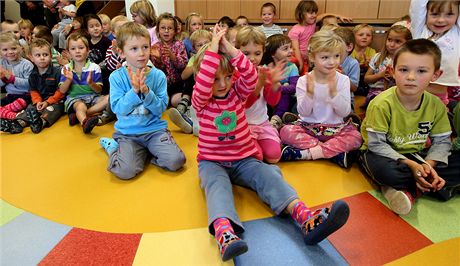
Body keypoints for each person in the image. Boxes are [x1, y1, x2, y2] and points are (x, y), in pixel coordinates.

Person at [192, 24, 350, 262]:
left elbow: (249, 74)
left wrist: (230, 49)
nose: (223, 84)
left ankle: (305, 217)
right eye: (215, 79)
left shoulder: (237, 92)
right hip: (212, 162)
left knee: (271, 176)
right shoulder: (201, 100)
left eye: (227, 77)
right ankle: (225, 233)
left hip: (244, 157)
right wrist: (213, 49)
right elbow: (205, 80)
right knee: (217, 190)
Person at [359, 39, 460, 215]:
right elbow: (376, 145)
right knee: (388, 172)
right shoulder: (381, 103)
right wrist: (413, 166)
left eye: (421, 71)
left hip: (418, 155)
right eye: (404, 70)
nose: (411, 77)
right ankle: (418, 186)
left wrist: (428, 165)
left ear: (435, 75)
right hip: (384, 155)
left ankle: (409, 188)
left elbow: (442, 142)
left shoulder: (436, 105)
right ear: (392, 71)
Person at [99, 22, 186, 179]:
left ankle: (145, 152)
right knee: (125, 172)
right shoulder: (116, 77)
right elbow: (118, 109)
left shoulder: (158, 76)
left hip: (154, 131)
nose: (141, 53)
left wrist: (146, 92)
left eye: (145, 47)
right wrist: (134, 91)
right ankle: (113, 149)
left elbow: (160, 109)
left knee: (176, 161)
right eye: (134, 49)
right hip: (128, 134)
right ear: (121, 52)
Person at [280, 30, 362, 168]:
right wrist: (310, 93)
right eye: (325, 57)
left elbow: (344, 112)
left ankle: (307, 154)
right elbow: (304, 112)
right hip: (309, 128)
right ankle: (334, 154)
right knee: (286, 132)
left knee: (356, 137)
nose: (332, 62)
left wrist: (334, 93)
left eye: (336, 56)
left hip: (336, 130)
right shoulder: (304, 80)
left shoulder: (343, 80)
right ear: (312, 57)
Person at [237, 27, 284, 163]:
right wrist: (259, 84)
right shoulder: (234, 74)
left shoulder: (264, 72)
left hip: (262, 124)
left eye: (257, 53)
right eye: (246, 53)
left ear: (263, 52)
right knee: (257, 156)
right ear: (237, 51)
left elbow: (272, 102)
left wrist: (274, 85)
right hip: (241, 127)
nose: (252, 58)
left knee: (274, 156)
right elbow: (245, 104)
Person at [410, 0, 459, 105]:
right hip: (415, 93)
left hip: (440, 96)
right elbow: (417, 6)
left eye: (449, 14)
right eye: (435, 14)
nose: (441, 20)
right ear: (426, 14)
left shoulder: (457, 33)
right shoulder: (420, 31)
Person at [11, 38, 65, 134]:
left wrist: (48, 102)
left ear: (51, 56)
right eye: (38, 55)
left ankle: (41, 122)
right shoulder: (32, 75)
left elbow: (60, 91)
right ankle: (20, 123)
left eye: (45, 55)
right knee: (30, 108)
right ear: (31, 58)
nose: (42, 58)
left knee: (53, 110)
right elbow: (33, 91)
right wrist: (38, 102)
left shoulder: (57, 72)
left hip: (56, 101)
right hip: (40, 100)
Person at [59, 32, 108, 134]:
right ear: (68, 52)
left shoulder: (94, 67)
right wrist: (68, 80)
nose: (77, 51)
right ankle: (84, 122)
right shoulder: (66, 68)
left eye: (81, 48)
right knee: (80, 106)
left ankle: (80, 115)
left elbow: (99, 90)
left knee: (110, 98)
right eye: (73, 49)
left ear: (88, 50)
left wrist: (91, 83)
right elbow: (62, 90)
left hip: (93, 97)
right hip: (75, 98)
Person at [288, 0, 351, 74]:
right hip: (300, 58)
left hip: (310, 58)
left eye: (315, 13)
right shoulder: (295, 30)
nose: (314, 15)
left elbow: (325, 15)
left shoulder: (313, 23)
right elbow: (296, 49)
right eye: (311, 13)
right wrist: (300, 63)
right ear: (301, 14)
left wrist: (339, 16)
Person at [168, 29, 211, 134]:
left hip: (209, 93)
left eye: (206, 44)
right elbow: (183, 76)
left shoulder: (215, 58)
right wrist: (196, 64)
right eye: (199, 45)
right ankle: (186, 111)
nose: (203, 47)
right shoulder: (194, 59)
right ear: (194, 48)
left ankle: (191, 118)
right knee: (190, 77)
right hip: (195, 93)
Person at [363, 25, 412, 108]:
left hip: (397, 94)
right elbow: (366, 79)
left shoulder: (408, 61)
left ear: (407, 44)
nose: (392, 44)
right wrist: (380, 75)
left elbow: (409, 84)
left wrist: (394, 77)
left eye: (398, 41)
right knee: (380, 102)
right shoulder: (377, 57)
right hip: (376, 93)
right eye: (389, 40)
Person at [261, 34, 300, 129]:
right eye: (285, 48)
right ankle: (276, 117)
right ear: (273, 53)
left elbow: (294, 87)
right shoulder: (266, 68)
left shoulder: (292, 67)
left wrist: (278, 88)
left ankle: (277, 118)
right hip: (270, 101)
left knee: (286, 93)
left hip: (288, 100)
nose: (291, 50)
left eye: (291, 47)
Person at [150, 12, 188, 107]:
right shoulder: (155, 47)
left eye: (170, 28)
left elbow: (183, 65)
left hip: (178, 84)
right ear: (158, 31)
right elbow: (155, 71)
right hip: (162, 85)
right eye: (163, 28)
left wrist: (173, 57)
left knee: (179, 98)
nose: (166, 31)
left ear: (175, 31)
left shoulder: (179, 45)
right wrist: (158, 60)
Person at [0, 32, 34, 133]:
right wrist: (3, 79)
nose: (10, 52)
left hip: (25, 96)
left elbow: (30, 84)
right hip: (10, 95)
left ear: (20, 48)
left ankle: (6, 113)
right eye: (5, 50)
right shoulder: (1, 63)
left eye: (13, 48)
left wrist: (11, 78)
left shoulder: (26, 64)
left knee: (20, 103)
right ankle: (13, 116)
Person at [333, 27, 360, 109]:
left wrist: (342, 76)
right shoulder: (328, 60)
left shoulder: (353, 63)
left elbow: (354, 88)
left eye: (336, 44)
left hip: (346, 101)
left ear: (349, 47)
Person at [351, 24, 376, 96]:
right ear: (353, 37)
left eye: (368, 35)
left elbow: (374, 69)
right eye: (361, 35)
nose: (364, 37)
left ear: (371, 39)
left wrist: (368, 66)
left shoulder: (372, 52)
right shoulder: (350, 51)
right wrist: (357, 64)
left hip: (365, 80)